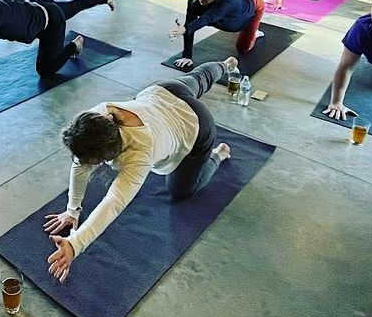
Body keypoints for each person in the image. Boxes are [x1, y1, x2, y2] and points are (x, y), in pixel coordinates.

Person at [42, 56, 239, 282]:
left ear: (108, 155)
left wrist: (76, 244)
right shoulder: (97, 118)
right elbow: (80, 162)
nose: (81, 162)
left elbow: (113, 202)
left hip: (197, 125)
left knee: (181, 191)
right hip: (164, 92)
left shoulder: (139, 154)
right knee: (200, 78)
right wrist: (72, 210)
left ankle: (218, 155)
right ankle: (226, 64)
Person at [169, 0, 266, 69]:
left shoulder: (226, 2)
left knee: (243, 48)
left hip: (253, 5)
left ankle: (254, 32)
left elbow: (208, 18)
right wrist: (187, 56)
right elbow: (190, 22)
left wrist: (186, 29)